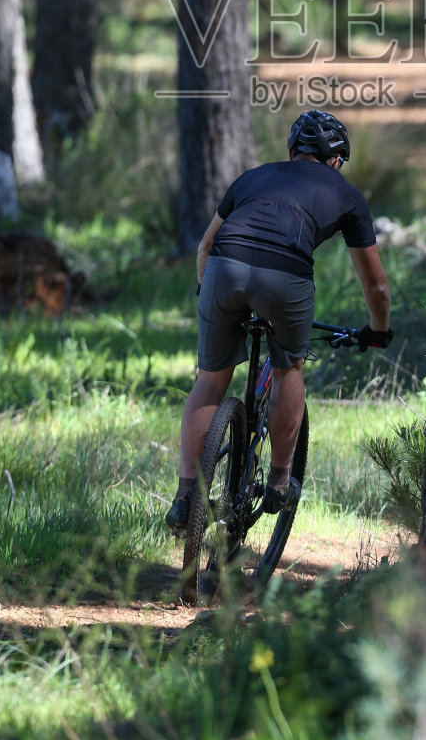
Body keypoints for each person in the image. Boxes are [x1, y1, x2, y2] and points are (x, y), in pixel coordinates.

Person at [166, 108, 392, 531]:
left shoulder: (251, 177)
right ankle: (278, 483)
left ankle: (184, 498)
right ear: (337, 161)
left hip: (222, 266)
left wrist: (207, 294)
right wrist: (378, 330)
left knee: (210, 380)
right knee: (289, 367)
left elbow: (205, 245)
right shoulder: (347, 195)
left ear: (291, 150)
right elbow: (376, 287)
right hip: (285, 275)